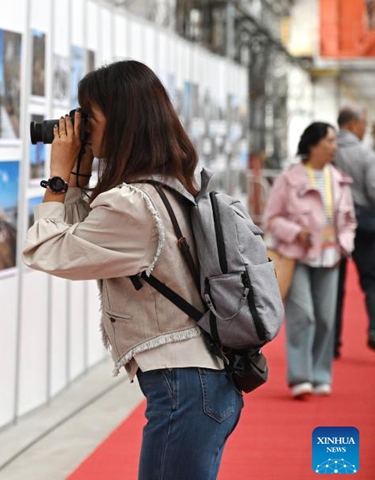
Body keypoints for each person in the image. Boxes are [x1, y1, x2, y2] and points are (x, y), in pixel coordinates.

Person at [23, 60, 240, 480]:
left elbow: (47, 250)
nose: (81, 128)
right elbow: (86, 238)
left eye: (90, 119)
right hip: (200, 382)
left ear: (122, 123)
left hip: (184, 388)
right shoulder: (166, 182)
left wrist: (55, 180)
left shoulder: (131, 204)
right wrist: (78, 176)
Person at [263, 122, 356, 398]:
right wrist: (297, 232)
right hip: (296, 256)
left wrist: (344, 245)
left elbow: (349, 220)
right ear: (314, 145)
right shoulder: (289, 178)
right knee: (303, 315)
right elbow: (271, 218)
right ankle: (300, 377)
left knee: (327, 319)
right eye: (330, 140)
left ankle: (320, 375)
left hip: (331, 257)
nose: (335, 146)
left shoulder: (339, 179)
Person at [333, 107, 375, 353]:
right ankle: (374, 328)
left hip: (333, 225)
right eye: (364, 123)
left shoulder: (327, 150)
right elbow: (373, 190)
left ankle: (332, 342)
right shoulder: (366, 155)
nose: (365, 129)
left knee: (333, 285)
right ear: (351, 125)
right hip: (366, 225)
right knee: (371, 279)